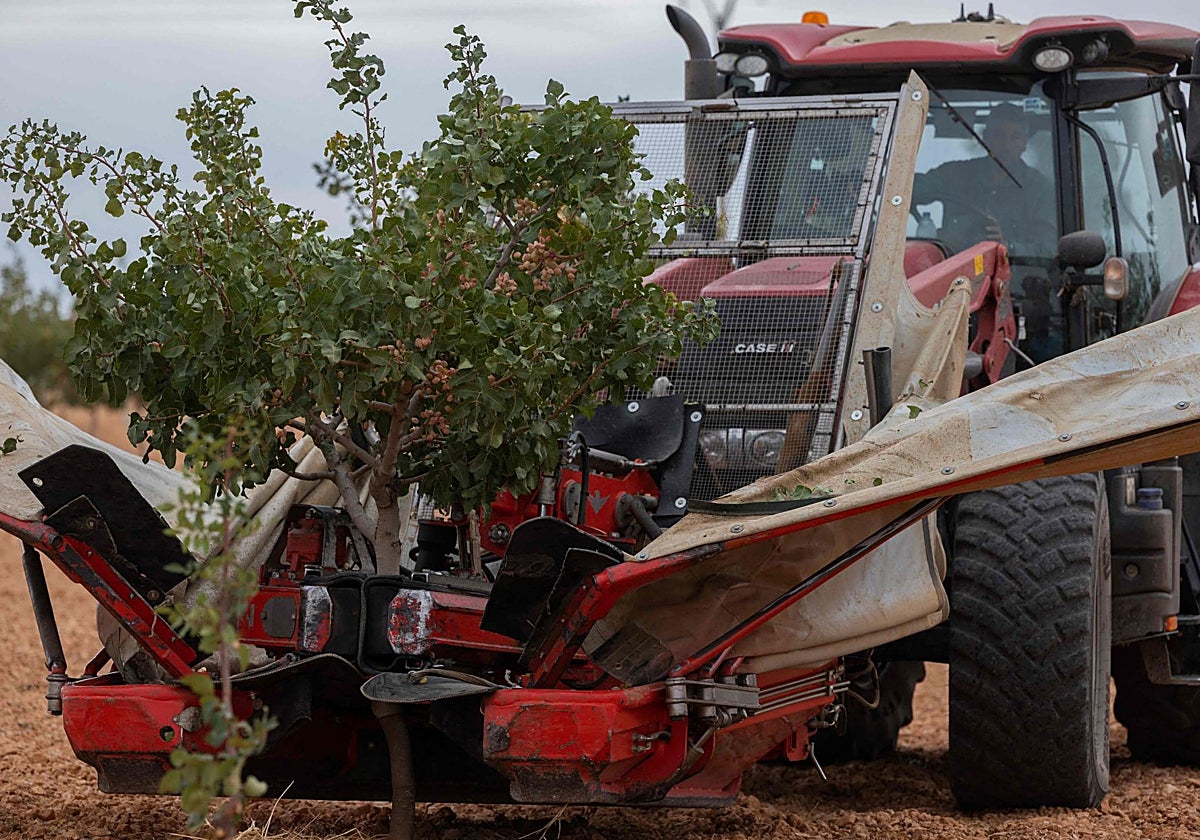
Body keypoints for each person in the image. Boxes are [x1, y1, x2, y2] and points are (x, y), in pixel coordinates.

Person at [913, 102, 1056, 261]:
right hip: (953, 275)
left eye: (1015, 137)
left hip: (1016, 280)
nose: (1006, 145)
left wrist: (1008, 247)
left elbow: (1049, 251)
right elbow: (906, 190)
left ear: (1024, 143)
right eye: (998, 135)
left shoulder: (1040, 190)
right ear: (986, 138)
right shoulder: (954, 175)